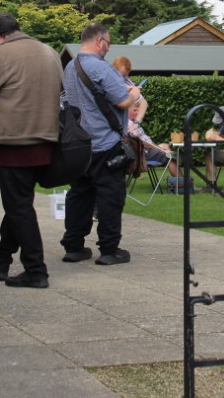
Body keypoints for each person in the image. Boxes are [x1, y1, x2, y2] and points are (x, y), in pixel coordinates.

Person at [0, 13, 63, 289]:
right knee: (18, 203)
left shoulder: (0, 54)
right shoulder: (49, 52)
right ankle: (0, 257)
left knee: (18, 207)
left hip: (13, 140)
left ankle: (36, 270)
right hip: (46, 140)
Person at [60, 22, 142, 267]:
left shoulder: (70, 67)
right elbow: (122, 101)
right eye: (108, 42)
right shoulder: (101, 67)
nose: (108, 47)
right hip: (105, 143)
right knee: (110, 196)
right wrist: (135, 94)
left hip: (78, 144)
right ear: (99, 41)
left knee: (79, 194)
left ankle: (74, 246)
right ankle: (109, 249)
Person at [127, 105, 179, 178]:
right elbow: (140, 142)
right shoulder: (129, 125)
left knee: (166, 147)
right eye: (134, 110)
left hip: (147, 150)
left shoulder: (134, 123)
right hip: (143, 153)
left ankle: (180, 181)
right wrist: (158, 148)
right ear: (126, 111)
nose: (137, 112)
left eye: (138, 110)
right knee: (170, 157)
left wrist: (158, 147)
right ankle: (184, 183)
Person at [112, 55, 148, 123]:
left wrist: (137, 122)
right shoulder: (107, 81)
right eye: (121, 75)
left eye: (125, 76)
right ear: (113, 70)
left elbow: (143, 103)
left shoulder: (128, 82)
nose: (123, 79)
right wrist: (131, 91)